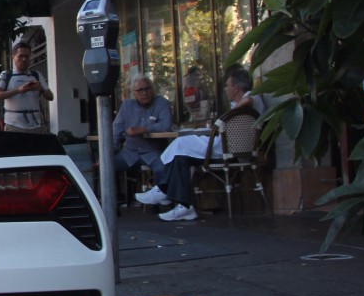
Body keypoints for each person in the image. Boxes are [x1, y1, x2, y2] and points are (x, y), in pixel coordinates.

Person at [136, 67, 262, 221]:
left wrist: (231, 113)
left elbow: (249, 100)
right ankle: (184, 206)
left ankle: (162, 188)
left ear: (235, 88)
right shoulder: (238, 104)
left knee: (181, 142)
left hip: (224, 149)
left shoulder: (252, 99)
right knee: (180, 158)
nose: (225, 89)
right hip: (225, 147)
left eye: (227, 86)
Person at [112, 76, 172, 185]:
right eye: (140, 90)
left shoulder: (161, 103)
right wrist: (109, 152)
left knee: (164, 168)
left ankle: (161, 199)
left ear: (152, 89)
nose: (144, 93)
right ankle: (114, 199)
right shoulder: (127, 105)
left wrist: (143, 129)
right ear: (134, 93)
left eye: (147, 89)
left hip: (153, 152)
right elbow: (116, 129)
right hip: (130, 153)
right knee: (106, 167)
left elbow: (166, 125)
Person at [0, 41, 54, 133]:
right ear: (13, 56)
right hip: (13, 125)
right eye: (21, 56)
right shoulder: (6, 75)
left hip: (35, 125)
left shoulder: (36, 75)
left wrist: (41, 89)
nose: (24, 59)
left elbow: (50, 97)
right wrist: (18, 90)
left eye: (27, 56)